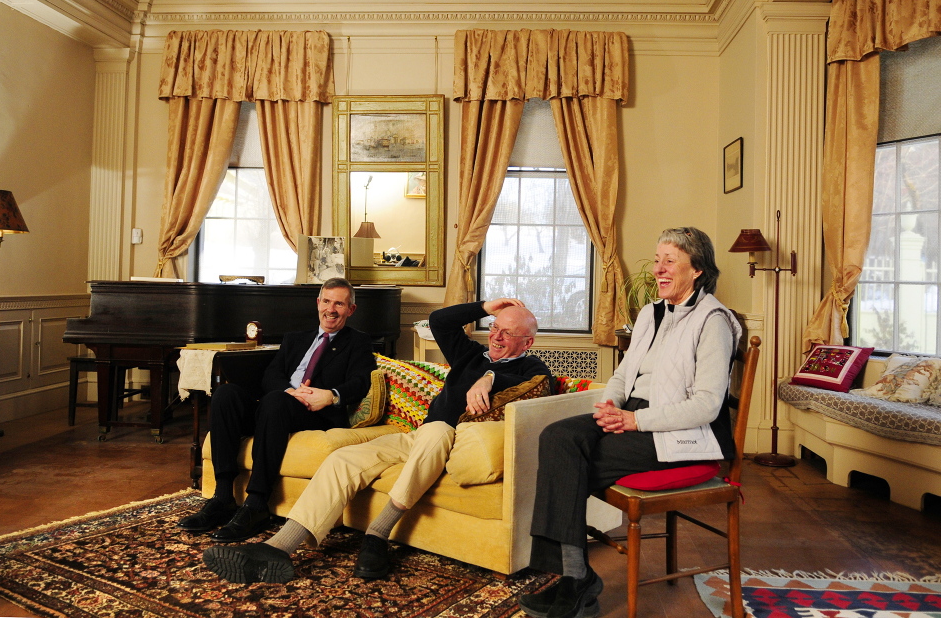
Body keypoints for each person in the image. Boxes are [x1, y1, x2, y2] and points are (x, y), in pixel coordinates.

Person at [201, 298, 552, 584]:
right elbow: (439, 320)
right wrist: (486, 307)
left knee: (438, 430)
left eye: (508, 333)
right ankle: (279, 548)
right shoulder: (470, 354)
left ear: (528, 342)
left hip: (455, 437)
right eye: (495, 328)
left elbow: (537, 387)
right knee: (343, 460)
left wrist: (490, 378)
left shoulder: (532, 368)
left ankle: (377, 535)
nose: (497, 336)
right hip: (417, 436)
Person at [518, 227, 742, 618]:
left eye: (669, 261)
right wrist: (609, 406)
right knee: (556, 437)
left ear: (698, 270)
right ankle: (575, 576)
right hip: (633, 414)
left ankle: (575, 581)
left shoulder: (714, 321)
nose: (658, 269)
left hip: (682, 431)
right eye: (657, 260)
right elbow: (624, 375)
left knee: (569, 463)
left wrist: (635, 420)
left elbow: (706, 406)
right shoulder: (650, 313)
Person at [176, 278, 376, 542]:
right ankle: (223, 497)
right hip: (279, 405)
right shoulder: (296, 339)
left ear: (351, 309)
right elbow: (272, 375)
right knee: (226, 394)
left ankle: (257, 504)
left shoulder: (358, 342)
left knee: (274, 402)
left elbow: (362, 381)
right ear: (318, 303)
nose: (331, 309)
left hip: (315, 412)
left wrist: (330, 396)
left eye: (339, 303)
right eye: (326, 301)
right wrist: (289, 391)